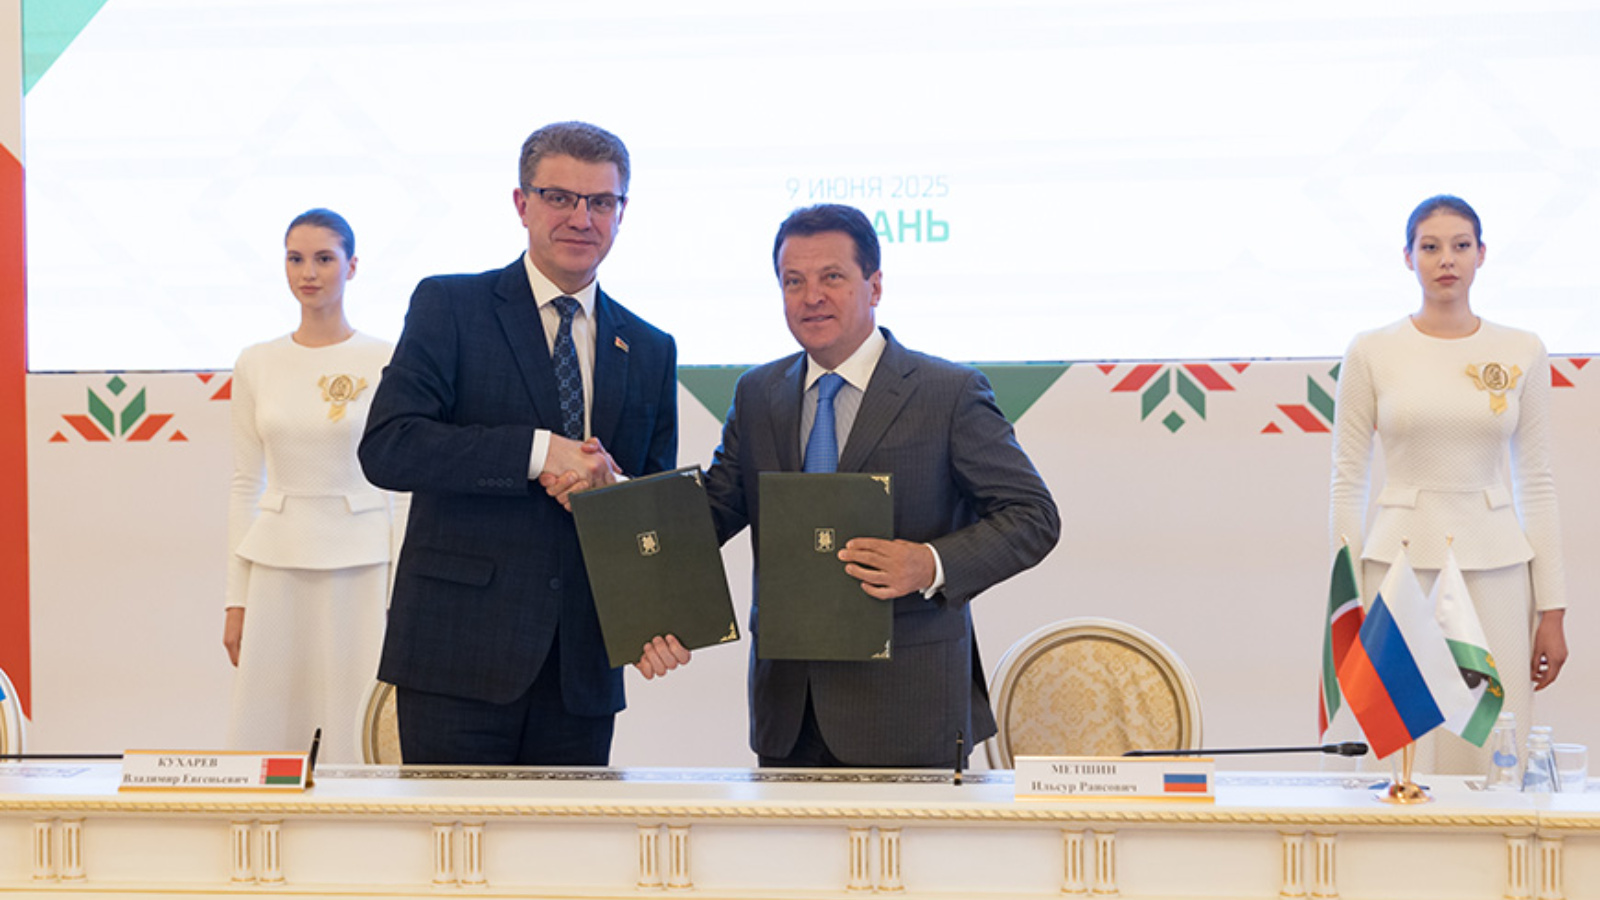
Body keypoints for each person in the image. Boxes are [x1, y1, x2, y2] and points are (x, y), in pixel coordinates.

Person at [692, 203, 1060, 767]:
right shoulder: (758, 393)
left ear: (875, 285)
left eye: (832, 277)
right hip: (789, 714)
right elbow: (713, 511)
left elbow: (1033, 516)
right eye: (794, 281)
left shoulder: (949, 393)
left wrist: (929, 563)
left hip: (909, 710)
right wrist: (613, 492)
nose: (812, 296)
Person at [358, 121, 680, 766]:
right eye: (560, 197)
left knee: (566, 838)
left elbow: (650, 504)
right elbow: (390, 446)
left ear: (622, 212)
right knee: (453, 835)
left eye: (601, 201)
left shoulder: (649, 347)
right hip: (457, 659)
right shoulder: (451, 305)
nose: (581, 218)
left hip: (581, 674)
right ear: (522, 203)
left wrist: (613, 493)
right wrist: (537, 453)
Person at [1329, 194, 1569, 774]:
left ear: (1481, 254)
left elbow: (1536, 480)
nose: (1446, 260)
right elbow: (1347, 477)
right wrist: (1347, 594)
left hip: (1498, 565)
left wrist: (1553, 608)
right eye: (1430, 247)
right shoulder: (1371, 350)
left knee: (1493, 734)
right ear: (1407, 257)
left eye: (1461, 246)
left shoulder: (1523, 349)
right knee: (1399, 739)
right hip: (1397, 563)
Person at [225, 208, 404, 763]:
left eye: (324, 258)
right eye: (296, 259)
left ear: (352, 266)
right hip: (276, 563)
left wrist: (401, 594)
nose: (309, 273)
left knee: (358, 723)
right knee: (268, 726)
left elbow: (403, 488)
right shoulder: (256, 362)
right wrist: (236, 599)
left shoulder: (387, 358)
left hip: (363, 565)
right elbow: (244, 483)